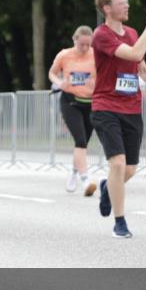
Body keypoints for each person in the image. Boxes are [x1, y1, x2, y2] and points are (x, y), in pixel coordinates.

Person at [90, 0, 146, 238]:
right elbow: (135, 52)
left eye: (126, 1)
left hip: (131, 108)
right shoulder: (100, 35)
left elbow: (140, 66)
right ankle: (120, 222)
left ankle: (107, 188)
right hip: (105, 107)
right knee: (118, 163)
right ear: (107, 9)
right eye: (121, 2)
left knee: (130, 169)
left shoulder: (133, 33)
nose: (127, 5)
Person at [48, 26, 98, 196]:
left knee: (83, 143)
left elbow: (103, 76)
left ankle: (74, 172)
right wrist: (60, 82)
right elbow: (52, 73)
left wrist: (95, 84)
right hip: (70, 101)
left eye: (88, 45)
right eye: (81, 44)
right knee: (81, 140)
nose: (85, 48)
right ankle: (85, 179)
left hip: (90, 102)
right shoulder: (64, 55)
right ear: (74, 40)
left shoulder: (96, 54)